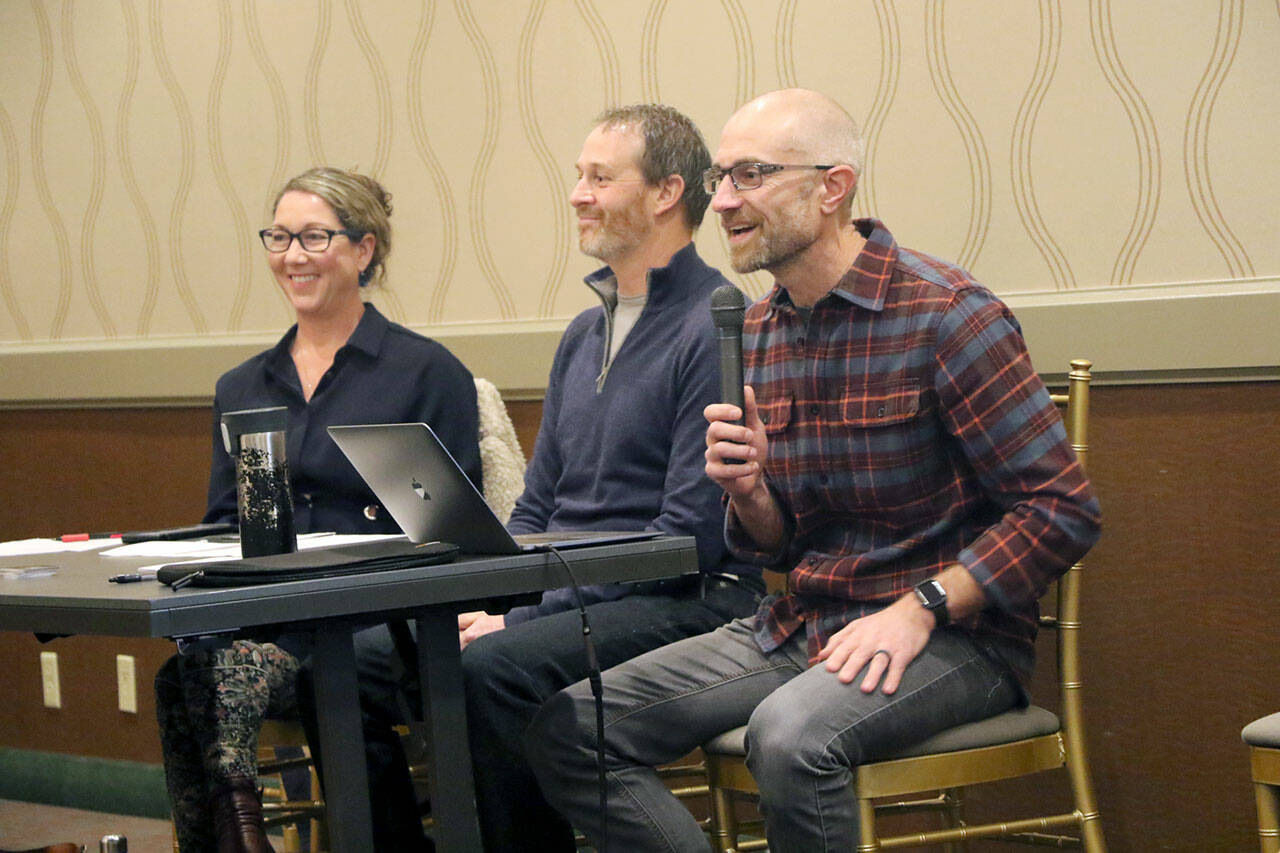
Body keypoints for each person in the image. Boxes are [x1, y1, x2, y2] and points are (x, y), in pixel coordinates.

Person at [525, 88, 1103, 852]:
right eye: (721, 179)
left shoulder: (946, 314)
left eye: (751, 176)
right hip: (806, 624)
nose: (724, 201)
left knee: (790, 735)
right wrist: (752, 494)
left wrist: (922, 605)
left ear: (833, 187)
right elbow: (777, 542)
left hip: (958, 638)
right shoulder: (756, 330)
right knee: (570, 726)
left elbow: (1061, 509)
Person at [457, 104, 764, 852]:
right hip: (581, 593)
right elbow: (538, 505)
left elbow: (683, 541)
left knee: (495, 666)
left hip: (687, 599)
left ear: (665, 192)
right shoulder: (583, 330)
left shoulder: (717, 321)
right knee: (391, 646)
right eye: (579, 176)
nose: (578, 195)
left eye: (600, 177)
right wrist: (474, 595)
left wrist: (521, 618)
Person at [154, 166, 480, 853]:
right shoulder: (242, 385)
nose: (292, 256)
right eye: (279, 236)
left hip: (379, 615)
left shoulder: (425, 372)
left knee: (339, 670)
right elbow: (224, 523)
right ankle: (234, 837)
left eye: (314, 237)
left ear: (364, 251)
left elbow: (450, 531)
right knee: (185, 673)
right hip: (275, 609)